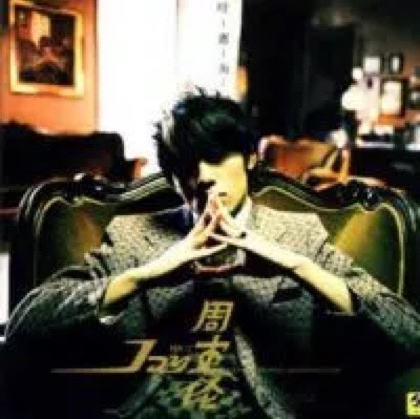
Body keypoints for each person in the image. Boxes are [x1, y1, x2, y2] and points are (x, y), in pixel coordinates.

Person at [5, 92, 420, 418]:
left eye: (217, 157)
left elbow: (407, 331)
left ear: (251, 158)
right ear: (171, 176)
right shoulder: (133, 235)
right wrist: (143, 276)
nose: (203, 176)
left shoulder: (299, 234)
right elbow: (24, 326)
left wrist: (299, 266)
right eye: (186, 163)